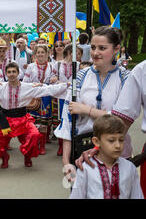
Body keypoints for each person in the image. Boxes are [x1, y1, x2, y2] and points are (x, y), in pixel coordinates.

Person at [0, 62, 68, 168]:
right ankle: (4, 156)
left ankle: (27, 157)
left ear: (18, 73)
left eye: (14, 71)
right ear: (6, 74)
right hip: (5, 121)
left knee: (34, 135)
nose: (11, 74)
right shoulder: (0, 87)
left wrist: (65, 85)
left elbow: (48, 89)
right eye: (9, 72)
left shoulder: (27, 87)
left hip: (23, 120)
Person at [55, 26, 131, 175]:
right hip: (82, 153)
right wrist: (66, 162)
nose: (96, 53)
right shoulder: (81, 76)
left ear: (116, 49)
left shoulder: (126, 78)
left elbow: (122, 119)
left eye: (102, 48)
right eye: (93, 47)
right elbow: (67, 121)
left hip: (116, 154)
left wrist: (86, 110)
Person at [69, 114, 143, 199]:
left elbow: (137, 195)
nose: (118, 145)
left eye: (121, 140)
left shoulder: (130, 168)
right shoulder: (86, 169)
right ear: (96, 141)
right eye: (111, 140)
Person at [23, 44, 55, 154]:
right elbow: (25, 82)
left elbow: (53, 80)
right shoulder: (31, 66)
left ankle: (42, 145)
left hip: (46, 95)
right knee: (34, 121)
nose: (40, 54)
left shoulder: (51, 66)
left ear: (47, 54)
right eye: (38, 52)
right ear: (35, 54)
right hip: (34, 94)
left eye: (43, 52)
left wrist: (53, 80)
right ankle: (35, 143)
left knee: (44, 122)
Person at [50, 44, 80, 156]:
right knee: (59, 121)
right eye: (75, 52)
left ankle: (72, 146)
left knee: (72, 121)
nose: (77, 55)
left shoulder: (78, 65)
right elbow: (52, 79)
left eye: (78, 53)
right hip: (60, 96)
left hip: (73, 96)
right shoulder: (57, 64)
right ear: (69, 52)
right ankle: (61, 146)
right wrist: (59, 81)